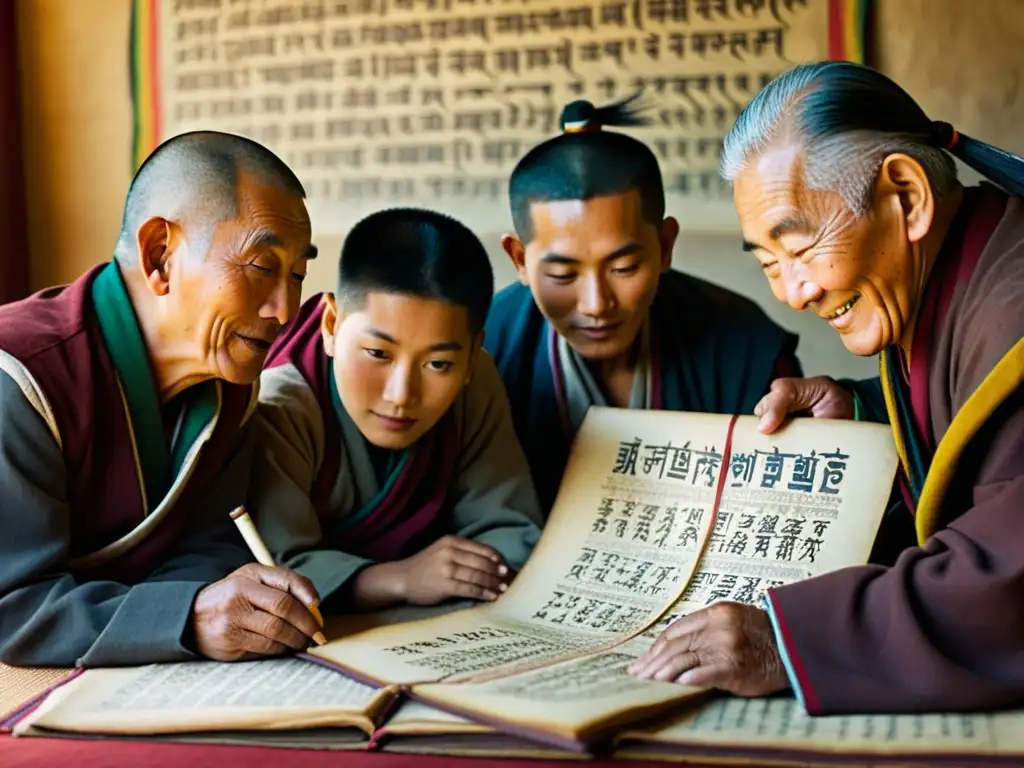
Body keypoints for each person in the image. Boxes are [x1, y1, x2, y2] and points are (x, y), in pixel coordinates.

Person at [629, 61, 1024, 714]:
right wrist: (863, 411)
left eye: (803, 247)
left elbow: (1009, 581)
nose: (794, 292)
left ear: (907, 196)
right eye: (768, 262)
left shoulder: (1010, 309)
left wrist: (785, 640)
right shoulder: (956, 275)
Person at [0, 132, 326, 667]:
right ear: (160, 257)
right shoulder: (19, 375)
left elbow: (209, 547)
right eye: (263, 267)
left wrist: (209, 607)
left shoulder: (231, 393)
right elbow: (12, 608)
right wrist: (186, 618)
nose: (285, 310)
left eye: (297, 275)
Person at [484, 96, 803, 512]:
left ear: (665, 245)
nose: (596, 304)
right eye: (563, 275)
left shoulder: (744, 346)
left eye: (624, 267)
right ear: (520, 259)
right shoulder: (480, 349)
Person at [248, 207, 542, 613]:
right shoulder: (283, 404)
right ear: (332, 325)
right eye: (377, 353)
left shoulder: (475, 387)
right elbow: (272, 571)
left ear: (473, 354)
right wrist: (400, 579)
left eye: (437, 364)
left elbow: (507, 534)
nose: (402, 393)